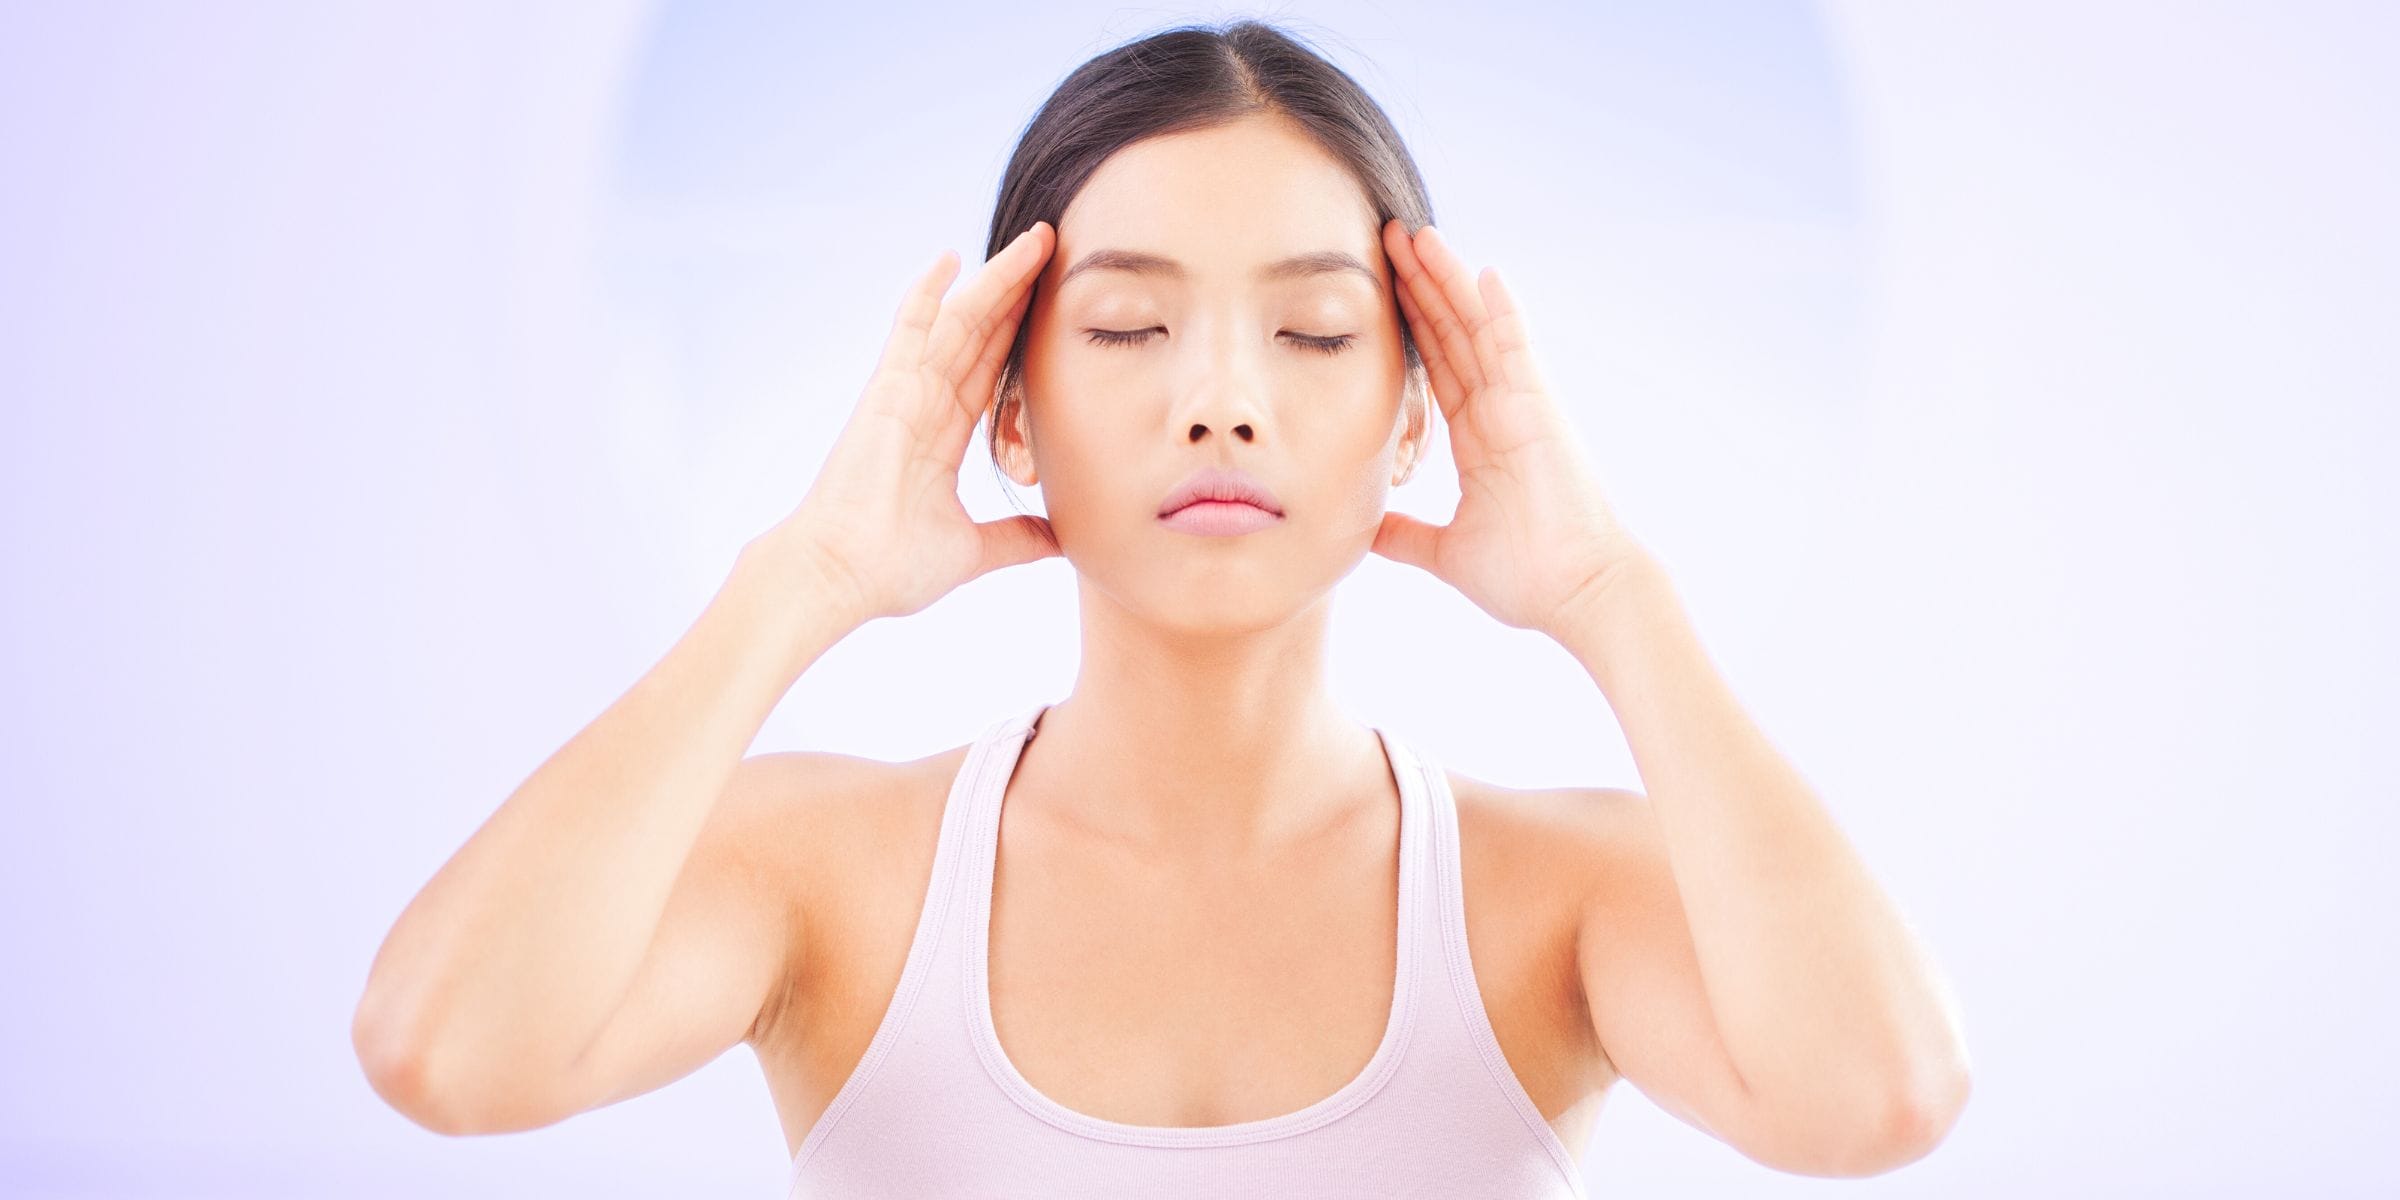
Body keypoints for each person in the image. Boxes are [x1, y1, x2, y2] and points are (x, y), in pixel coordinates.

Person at [352, 19, 1970, 1197]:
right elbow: (449, 1052)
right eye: (1127, 327)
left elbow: (1878, 1102)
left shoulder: (1558, 900)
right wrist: (802, 583)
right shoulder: (830, 879)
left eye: (1317, 335)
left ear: (1420, 414)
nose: (1219, 401)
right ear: (1003, 401)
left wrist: (1619, 600)